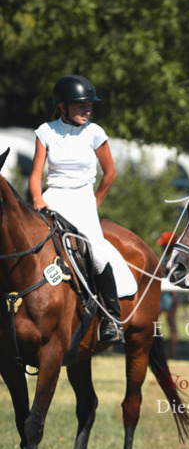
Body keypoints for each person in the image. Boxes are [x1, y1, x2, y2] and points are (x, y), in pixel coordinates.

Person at [29, 75, 137, 344]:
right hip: (53, 198)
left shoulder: (95, 133)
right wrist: (37, 199)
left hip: (83, 199)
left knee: (98, 255)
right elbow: (35, 174)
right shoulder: (45, 131)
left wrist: (95, 201)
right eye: (80, 105)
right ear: (63, 106)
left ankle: (111, 318)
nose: (87, 110)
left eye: (89, 105)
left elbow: (110, 173)